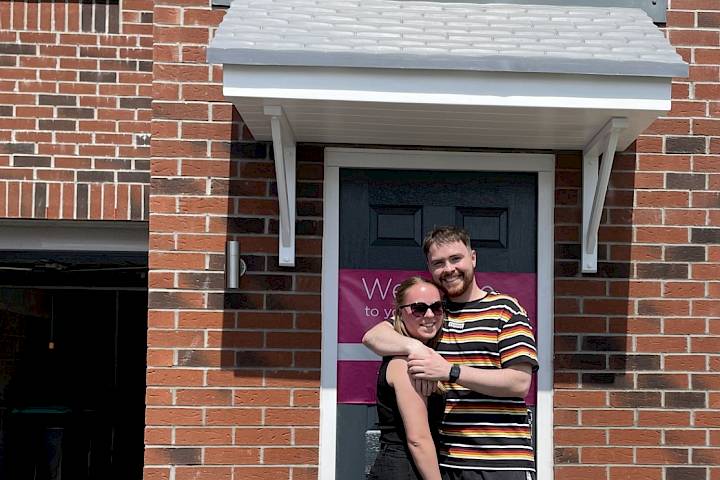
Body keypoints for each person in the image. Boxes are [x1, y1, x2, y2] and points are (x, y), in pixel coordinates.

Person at [363, 226, 538, 480]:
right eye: (439, 263)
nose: (449, 268)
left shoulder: (506, 310)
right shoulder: (431, 313)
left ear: (473, 258)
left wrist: (450, 371)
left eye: (456, 259)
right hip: (448, 463)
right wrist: (415, 347)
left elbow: (519, 382)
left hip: (502, 464)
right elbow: (373, 336)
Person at [368, 276, 445, 480]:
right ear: (400, 313)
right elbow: (418, 439)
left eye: (437, 307)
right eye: (418, 308)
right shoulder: (404, 364)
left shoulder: (423, 356)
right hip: (404, 470)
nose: (429, 315)